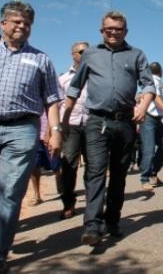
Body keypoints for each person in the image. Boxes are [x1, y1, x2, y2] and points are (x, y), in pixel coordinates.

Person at [0, 1, 62, 273]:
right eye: (16, 21)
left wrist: (55, 131)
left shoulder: (41, 59)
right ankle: (5, 221)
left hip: (23, 129)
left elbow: (52, 99)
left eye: (27, 22)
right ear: (3, 24)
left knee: (11, 192)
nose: (22, 26)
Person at [63, 11, 155, 246]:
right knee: (95, 171)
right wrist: (63, 120)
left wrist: (143, 106)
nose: (113, 32)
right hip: (96, 122)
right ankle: (92, 225)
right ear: (101, 31)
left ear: (126, 31)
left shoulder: (136, 55)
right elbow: (75, 87)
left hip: (125, 123)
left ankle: (112, 220)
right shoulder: (91, 54)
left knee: (119, 174)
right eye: (108, 29)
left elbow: (148, 85)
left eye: (118, 29)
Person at [58, 41, 89, 220]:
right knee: (69, 164)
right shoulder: (63, 79)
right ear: (73, 54)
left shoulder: (96, 77)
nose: (85, 54)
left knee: (94, 165)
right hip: (71, 126)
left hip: (92, 125)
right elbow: (55, 105)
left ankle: (93, 200)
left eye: (88, 51)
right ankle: (68, 203)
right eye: (81, 51)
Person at [139, 62, 163, 191]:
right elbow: (155, 98)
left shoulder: (157, 82)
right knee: (149, 149)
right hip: (149, 117)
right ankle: (145, 178)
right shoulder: (154, 82)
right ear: (161, 71)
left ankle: (153, 172)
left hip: (157, 118)